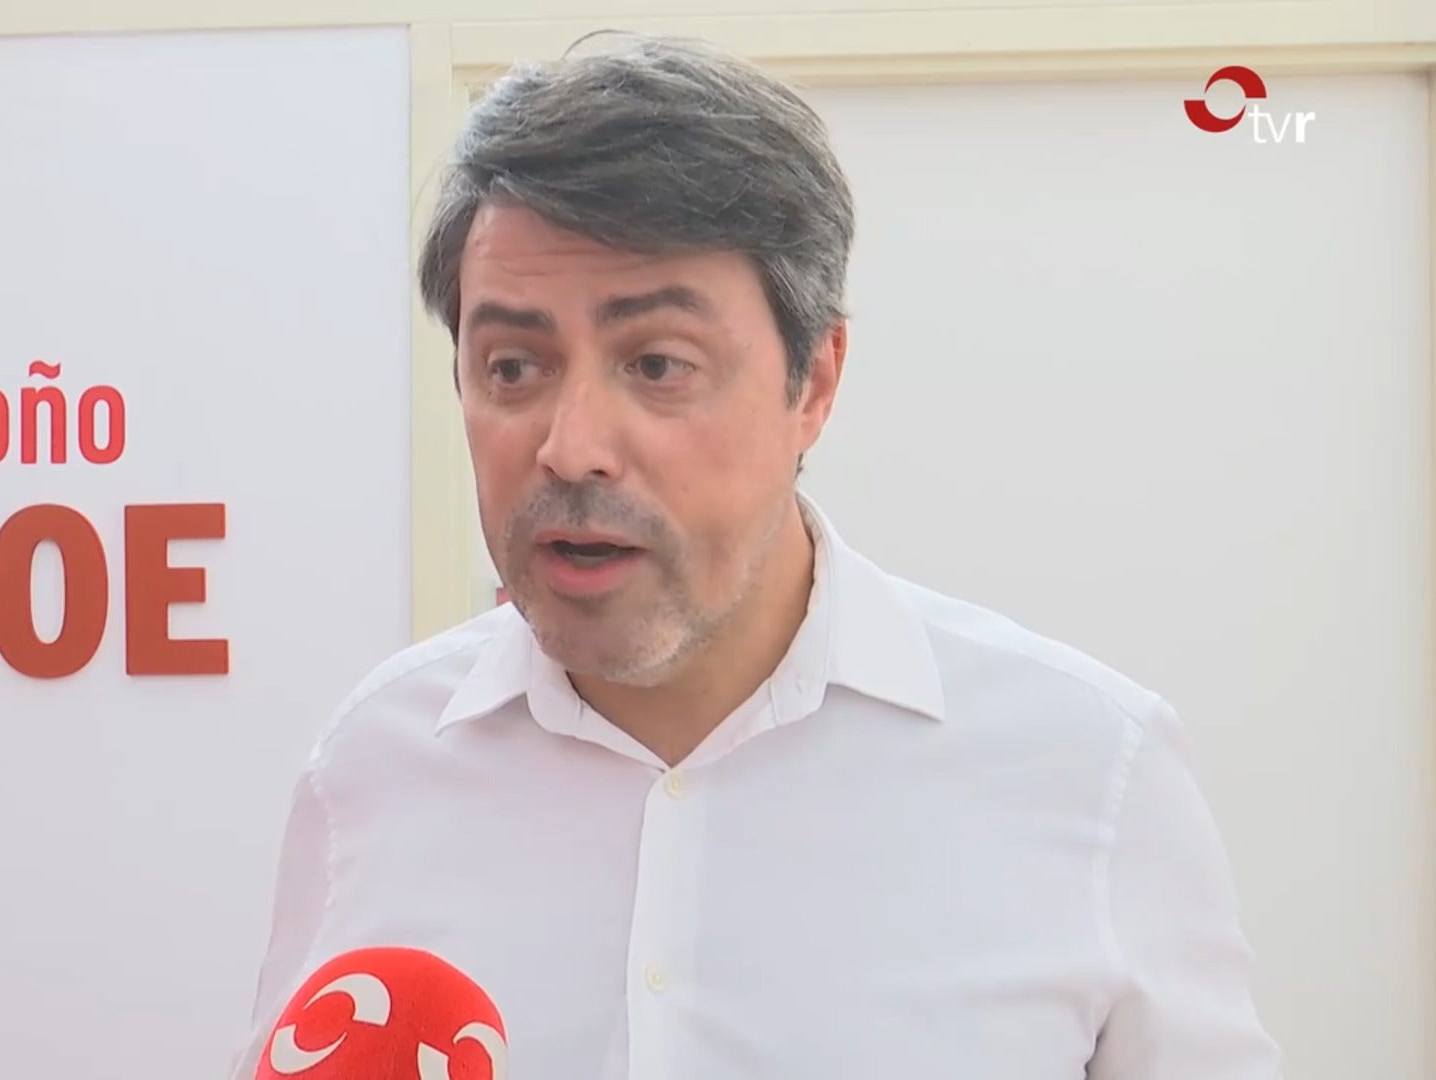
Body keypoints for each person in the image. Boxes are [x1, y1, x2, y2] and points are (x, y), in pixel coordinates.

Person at [231, 34, 1280, 1080]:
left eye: (657, 364)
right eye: (513, 367)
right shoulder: (373, 768)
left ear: (813, 383)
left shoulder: (1088, 770)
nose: (571, 446)